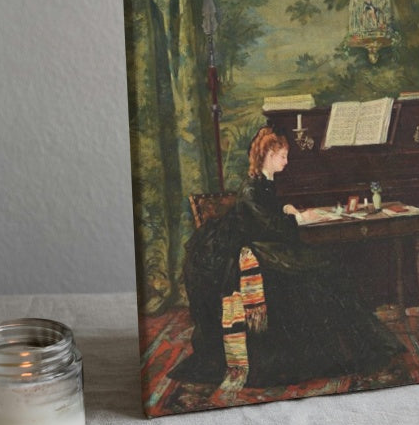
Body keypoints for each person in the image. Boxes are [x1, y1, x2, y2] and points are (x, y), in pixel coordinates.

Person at [172, 126, 403, 389]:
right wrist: (299, 218)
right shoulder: (251, 188)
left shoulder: (265, 182)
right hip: (257, 250)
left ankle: (355, 345)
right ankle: (336, 352)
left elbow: (267, 213)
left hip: (268, 244)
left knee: (328, 266)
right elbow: (268, 226)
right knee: (319, 270)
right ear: (269, 155)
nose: (286, 161)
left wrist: (285, 208)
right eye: (282, 156)